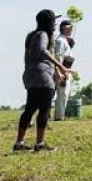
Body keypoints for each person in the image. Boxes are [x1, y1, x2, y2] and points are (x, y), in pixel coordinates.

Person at [14, 9, 71, 152]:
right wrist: (60, 65)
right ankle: (40, 143)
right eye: (53, 21)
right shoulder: (43, 35)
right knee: (44, 110)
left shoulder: (31, 35)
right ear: (48, 22)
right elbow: (42, 51)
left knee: (29, 109)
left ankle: (19, 143)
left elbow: (41, 55)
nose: (55, 23)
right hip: (43, 76)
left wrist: (57, 71)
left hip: (30, 75)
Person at [53, 19, 74, 121]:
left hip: (66, 69)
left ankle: (60, 115)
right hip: (62, 70)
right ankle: (59, 117)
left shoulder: (65, 40)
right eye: (69, 28)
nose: (71, 30)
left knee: (65, 93)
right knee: (62, 93)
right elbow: (58, 57)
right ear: (64, 29)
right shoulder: (60, 41)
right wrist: (62, 72)